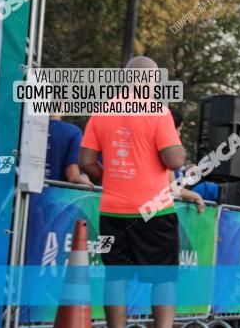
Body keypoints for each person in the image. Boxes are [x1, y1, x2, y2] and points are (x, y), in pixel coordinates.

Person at [79, 56, 186, 328]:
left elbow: (86, 161)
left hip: (111, 212)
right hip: (155, 211)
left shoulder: (102, 111)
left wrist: (114, 181)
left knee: (115, 276)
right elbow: (174, 161)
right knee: (164, 277)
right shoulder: (158, 111)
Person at [45, 113, 93, 188]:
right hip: (55, 195)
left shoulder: (26, 128)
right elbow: (73, 176)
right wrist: (87, 183)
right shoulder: (73, 132)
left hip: (26, 194)